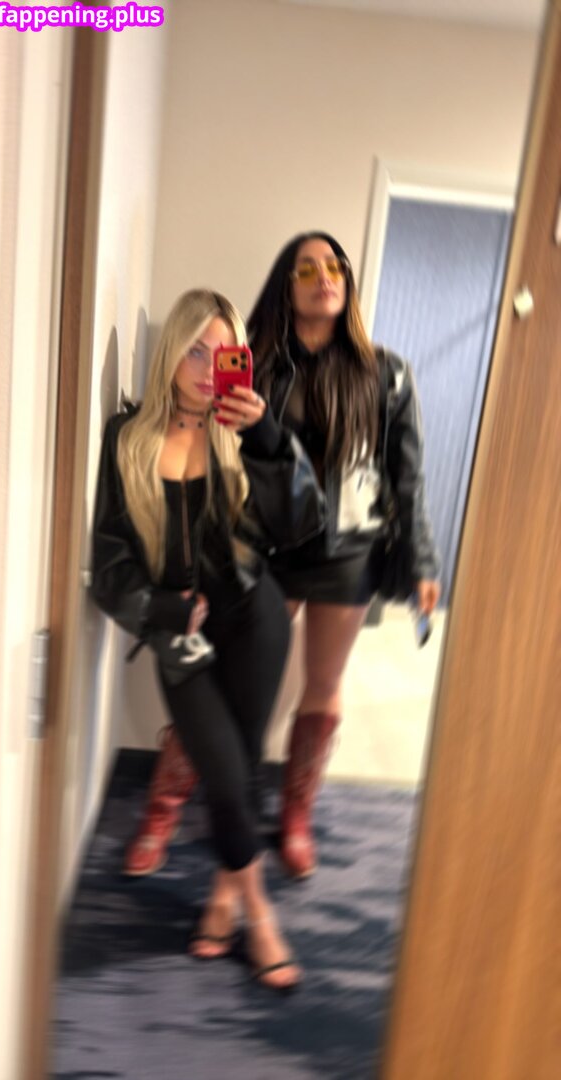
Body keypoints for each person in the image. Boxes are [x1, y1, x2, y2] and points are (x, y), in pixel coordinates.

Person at [122, 232, 440, 883]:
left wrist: (422, 560)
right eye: (307, 269)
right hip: (264, 542)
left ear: (347, 281)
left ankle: (295, 816)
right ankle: (165, 808)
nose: (324, 278)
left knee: (324, 683)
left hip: (346, 549)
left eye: (334, 267)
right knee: (218, 677)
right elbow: (198, 442)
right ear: (285, 285)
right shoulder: (253, 362)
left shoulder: (386, 372)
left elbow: (407, 478)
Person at [90, 289, 325, 990]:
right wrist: (162, 610)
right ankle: (259, 911)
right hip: (180, 634)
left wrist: (268, 438)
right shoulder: (127, 439)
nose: (205, 367)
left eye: (222, 354)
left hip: (255, 616)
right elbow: (110, 561)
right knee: (225, 771)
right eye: (194, 350)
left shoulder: (245, 431)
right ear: (171, 352)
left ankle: (226, 897)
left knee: (241, 767)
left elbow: (303, 523)